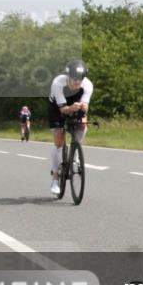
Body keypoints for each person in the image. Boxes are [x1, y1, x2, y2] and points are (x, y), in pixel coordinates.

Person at [48, 59, 93, 196]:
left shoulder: (88, 85)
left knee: (83, 123)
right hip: (57, 107)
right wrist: (71, 108)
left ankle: (76, 150)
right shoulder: (58, 83)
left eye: (80, 79)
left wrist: (83, 108)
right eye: (74, 78)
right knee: (59, 141)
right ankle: (55, 178)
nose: (77, 82)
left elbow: (85, 107)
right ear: (68, 76)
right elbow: (62, 110)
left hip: (75, 104)